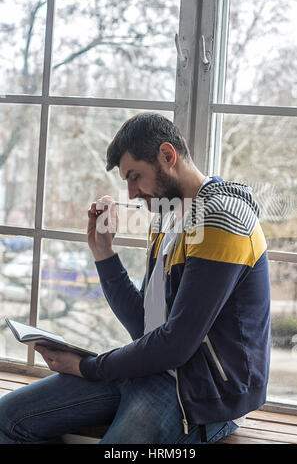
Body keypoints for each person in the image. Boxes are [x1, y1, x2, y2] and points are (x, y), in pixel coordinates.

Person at [0, 113, 270, 444]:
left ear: (167, 157)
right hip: (151, 369)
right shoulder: (167, 219)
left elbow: (176, 344)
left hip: (203, 393)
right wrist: (104, 254)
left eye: (134, 176)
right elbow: (146, 326)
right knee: (7, 419)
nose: (130, 193)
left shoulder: (222, 216)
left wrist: (88, 367)